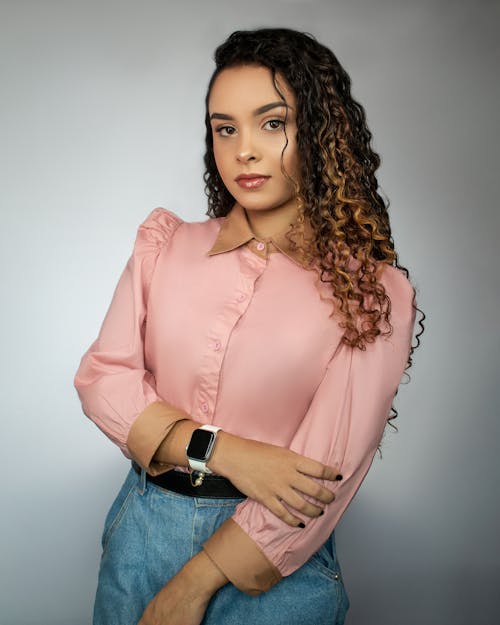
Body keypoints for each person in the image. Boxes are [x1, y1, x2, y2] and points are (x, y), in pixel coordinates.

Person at [75, 28, 421, 625]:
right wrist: (227, 452)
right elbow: (104, 381)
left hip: (277, 564)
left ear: (318, 132)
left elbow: (320, 478)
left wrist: (193, 586)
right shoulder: (166, 247)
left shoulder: (370, 292)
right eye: (225, 128)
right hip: (140, 536)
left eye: (272, 123)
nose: (244, 151)